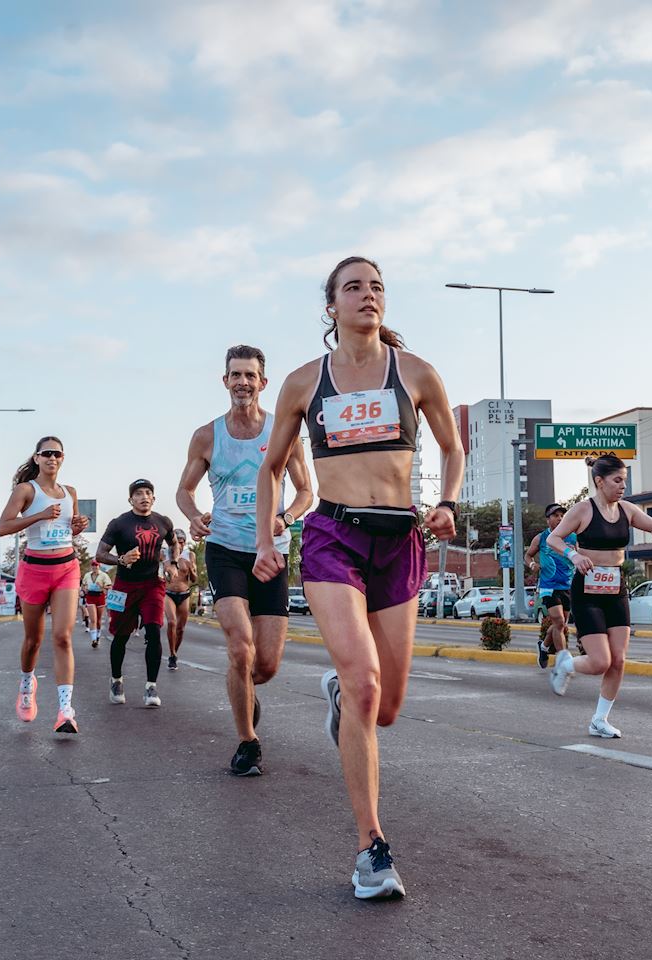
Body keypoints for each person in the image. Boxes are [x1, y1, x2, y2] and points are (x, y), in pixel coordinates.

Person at [253, 256, 464, 899]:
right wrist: (268, 538)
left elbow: (454, 448)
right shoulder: (301, 383)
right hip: (332, 536)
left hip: (399, 539)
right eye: (354, 287)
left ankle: (344, 700)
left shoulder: (418, 373)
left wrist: (448, 503)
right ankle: (372, 849)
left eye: (376, 287)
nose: (368, 295)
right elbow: (271, 469)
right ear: (331, 307)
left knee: (387, 707)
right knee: (366, 680)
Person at [176, 344, 314, 776]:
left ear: (263, 382)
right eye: (235, 375)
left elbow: (306, 491)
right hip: (224, 550)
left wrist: (285, 518)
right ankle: (247, 743)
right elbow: (185, 490)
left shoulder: (283, 431)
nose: (242, 383)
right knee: (240, 647)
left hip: (269, 551)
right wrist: (195, 516)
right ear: (225, 381)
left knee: (266, 665)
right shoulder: (206, 436)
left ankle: (244, 691)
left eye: (250, 375)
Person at [545, 456, 652, 736]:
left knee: (619, 660)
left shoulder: (627, 510)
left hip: (616, 590)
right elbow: (553, 539)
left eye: (624, 480)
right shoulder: (582, 511)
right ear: (599, 481)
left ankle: (599, 720)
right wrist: (573, 554)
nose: (622, 486)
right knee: (600, 661)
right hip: (587, 591)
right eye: (617, 480)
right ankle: (565, 664)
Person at [0, 436, 88, 734]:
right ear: (36, 458)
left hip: (66, 568)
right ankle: (27, 683)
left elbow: (68, 529)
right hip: (34, 569)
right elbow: (3, 527)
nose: (52, 458)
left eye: (57, 454)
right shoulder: (26, 490)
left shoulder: (69, 492)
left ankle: (65, 711)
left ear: (63, 459)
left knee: (63, 636)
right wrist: (37, 515)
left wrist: (77, 527)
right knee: (33, 641)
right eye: (46, 453)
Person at [95, 480, 177, 709]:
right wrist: (120, 559)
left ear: (154, 498)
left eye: (148, 493)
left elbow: (173, 543)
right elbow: (100, 554)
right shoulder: (119, 523)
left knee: (154, 629)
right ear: (131, 499)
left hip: (153, 584)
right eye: (139, 493)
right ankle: (116, 680)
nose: (144, 496)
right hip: (123, 586)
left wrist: (173, 563)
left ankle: (151, 686)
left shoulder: (163, 521)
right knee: (120, 636)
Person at [525, 503, 577, 669]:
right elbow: (528, 556)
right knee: (559, 621)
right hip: (548, 586)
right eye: (555, 516)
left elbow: (582, 554)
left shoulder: (573, 537)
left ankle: (544, 646)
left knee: (560, 625)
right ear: (548, 519)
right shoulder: (541, 538)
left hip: (567, 586)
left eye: (562, 515)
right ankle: (564, 661)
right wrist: (532, 565)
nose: (559, 518)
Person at [161, 531, 198, 672]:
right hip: (168, 593)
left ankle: (173, 654)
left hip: (184, 594)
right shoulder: (164, 554)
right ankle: (172, 654)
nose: (179, 544)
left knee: (181, 629)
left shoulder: (189, 555)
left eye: (182, 542)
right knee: (171, 622)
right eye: (176, 541)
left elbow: (194, 579)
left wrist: (191, 569)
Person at [82, 564, 111, 648]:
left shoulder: (104, 575)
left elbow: (109, 586)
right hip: (90, 596)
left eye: (96, 566)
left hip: (100, 597)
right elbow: (83, 584)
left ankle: (98, 637)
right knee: (93, 619)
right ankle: (93, 640)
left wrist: (101, 586)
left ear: (99, 566)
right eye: (93, 566)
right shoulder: (87, 575)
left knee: (98, 620)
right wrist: (84, 589)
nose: (94, 567)